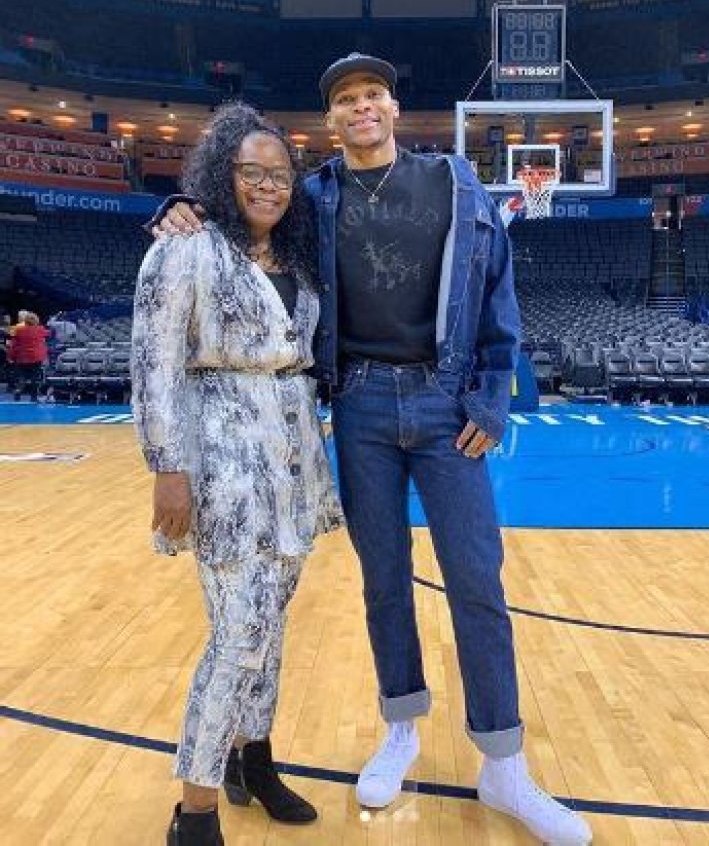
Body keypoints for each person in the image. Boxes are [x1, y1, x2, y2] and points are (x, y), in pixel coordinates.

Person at [153, 54, 592, 846]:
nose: (361, 106)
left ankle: (504, 761)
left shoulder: (455, 181)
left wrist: (492, 396)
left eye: (373, 94)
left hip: (446, 402)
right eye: (347, 99)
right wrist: (182, 202)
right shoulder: (314, 196)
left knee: (476, 578)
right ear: (332, 120)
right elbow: (244, 205)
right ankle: (401, 729)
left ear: (394, 107)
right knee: (384, 580)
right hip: (358, 403)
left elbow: (497, 291)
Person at [133, 101, 343, 846]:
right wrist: (167, 468)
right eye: (252, 171)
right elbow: (153, 366)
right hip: (222, 466)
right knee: (239, 633)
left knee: (271, 625)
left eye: (280, 174)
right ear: (223, 175)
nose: (267, 185)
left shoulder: (298, 258)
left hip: (292, 462)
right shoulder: (185, 247)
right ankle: (195, 808)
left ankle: (254, 760)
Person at [8, 311, 50, 401]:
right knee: (35, 377)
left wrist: (11, 357)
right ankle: (33, 397)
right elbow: (49, 333)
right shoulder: (41, 329)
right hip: (36, 357)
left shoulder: (18, 330)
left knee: (22, 376)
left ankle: (18, 390)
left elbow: (13, 345)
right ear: (36, 320)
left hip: (22, 357)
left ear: (25, 320)